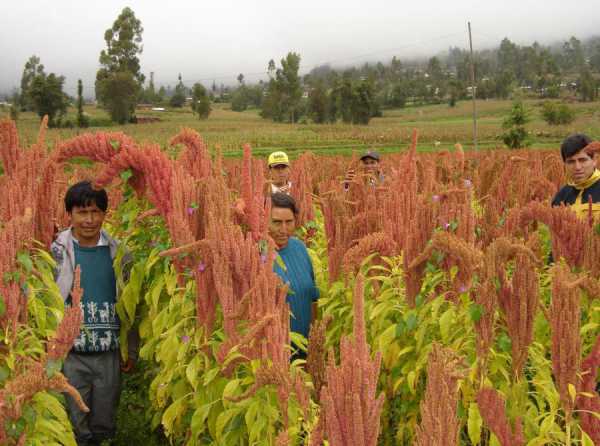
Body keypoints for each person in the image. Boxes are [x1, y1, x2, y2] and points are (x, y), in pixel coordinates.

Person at [51, 181, 137, 445]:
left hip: (108, 355)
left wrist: (130, 348)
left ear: (104, 214)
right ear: (70, 214)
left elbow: (131, 306)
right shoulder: (56, 253)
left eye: (96, 212)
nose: (89, 220)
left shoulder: (119, 253)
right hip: (71, 355)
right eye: (82, 212)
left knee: (104, 422)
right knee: (75, 424)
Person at [269, 193, 319, 358]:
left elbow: (313, 296)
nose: (283, 229)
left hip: (305, 349)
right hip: (275, 353)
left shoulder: (299, 247)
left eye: (288, 222)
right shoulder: (257, 256)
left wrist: (314, 341)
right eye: (276, 222)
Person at [551, 133, 600, 220]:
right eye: (571, 162)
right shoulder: (561, 196)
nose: (577, 167)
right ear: (565, 164)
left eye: (582, 160)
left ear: (594, 160)